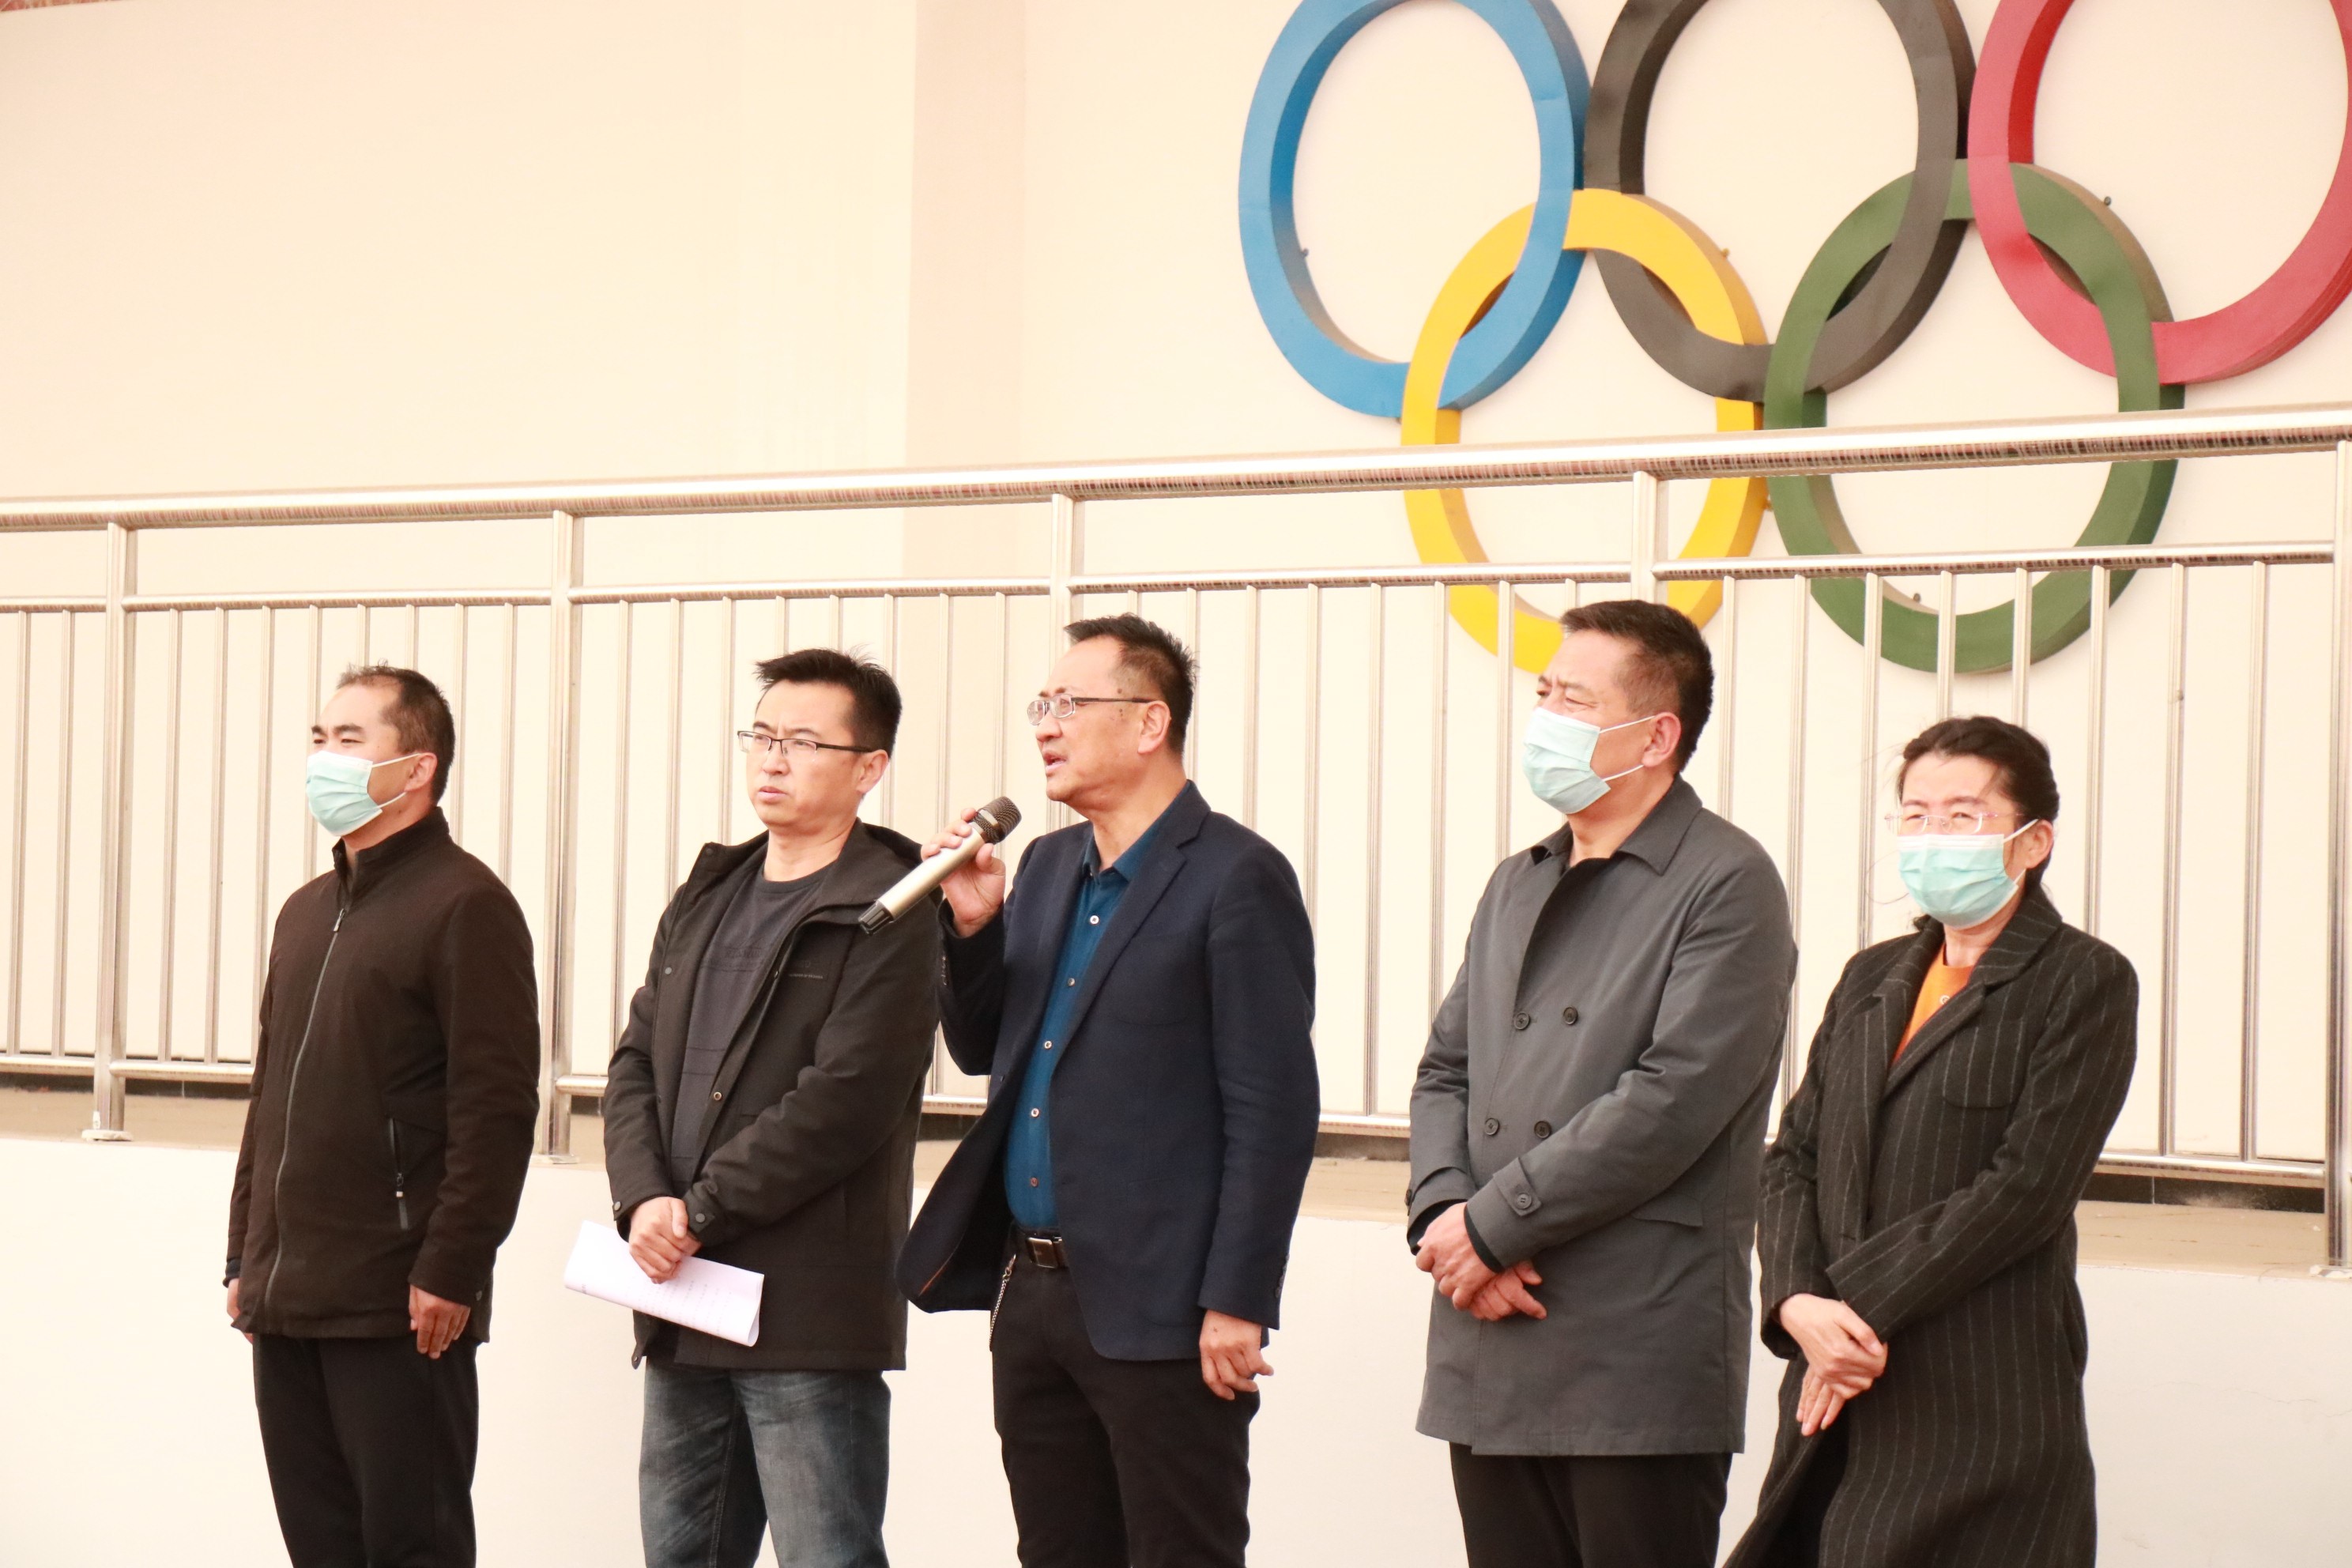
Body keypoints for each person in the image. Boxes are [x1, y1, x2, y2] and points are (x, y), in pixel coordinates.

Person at [898, 613, 1319, 1568]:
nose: (1045, 725)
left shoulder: (1237, 876)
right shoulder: (1048, 867)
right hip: (1034, 1293)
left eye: (1068, 703)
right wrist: (972, 930)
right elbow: (982, 1049)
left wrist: (1238, 1298)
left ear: (1148, 722)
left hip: (1167, 1307)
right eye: (1039, 705)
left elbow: (1273, 1111)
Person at [1408, 599, 1797, 1568]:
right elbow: (1448, 1068)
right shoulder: (1519, 876)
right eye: (1543, 693)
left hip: (1633, 1344)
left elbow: (1675, 1095)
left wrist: (1493, 1227)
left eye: (1572, 701)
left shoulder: (1727, 880)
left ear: (1656, 736)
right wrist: (1445, 1214)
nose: (1543, 718)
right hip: (1487, 1323)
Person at [1726, 716, 2137, 1568]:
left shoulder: (2083, 980)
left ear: (2033, 842)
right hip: (1831, 1383)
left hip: (1976, 1391)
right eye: (1915, 815)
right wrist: (1797, 1301)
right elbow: (1793, 1153)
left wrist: (1852, 1310)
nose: (1933, 836)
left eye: (1963, 815)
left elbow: (2027, 1188)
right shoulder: (1872, 976)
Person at [601, 648, 941, 1568]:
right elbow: (634, 1061)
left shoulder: (892, 904)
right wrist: (644, 1199)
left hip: (806, 1311)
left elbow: (846, 1098)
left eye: (803, 741)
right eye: (762, 735)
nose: (773, 758)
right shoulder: (710, 890)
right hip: (683, 1295)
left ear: (869, 767)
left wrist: (697, 1211)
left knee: (827, 1553)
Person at [225, 665, 540, 1568]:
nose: (324, 758)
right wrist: (245, 1255)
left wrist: (451, 1268)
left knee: (411, 1544)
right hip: (286, 1296)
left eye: (350, 739)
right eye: (319, 738)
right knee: (319, 1544)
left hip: (399, 1301)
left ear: (417, 767)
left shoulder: (466, 903)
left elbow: (496, 1106)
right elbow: (270, 1096)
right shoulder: (304, 911)